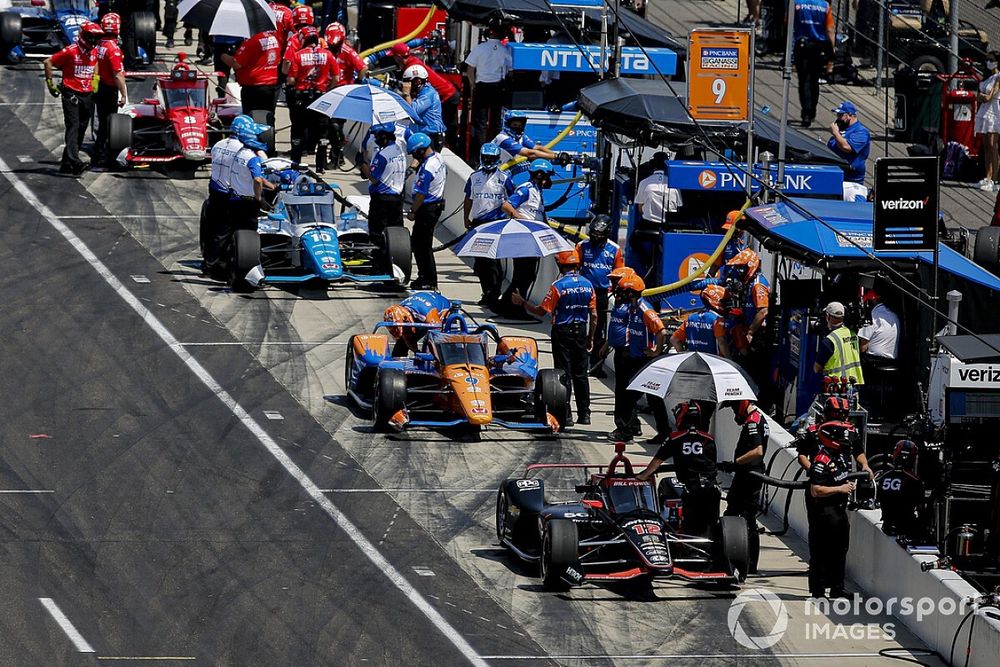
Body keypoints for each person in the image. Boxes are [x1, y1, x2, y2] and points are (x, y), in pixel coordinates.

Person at [512, 249, 596, 426]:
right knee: (581, 374)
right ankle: (585, 414)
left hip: (562, 331)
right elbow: (594, 315)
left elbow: (542, 311)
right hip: (581, 330)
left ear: (561, 265)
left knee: (563, 373)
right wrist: (591, 337)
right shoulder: (588, 284)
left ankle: (566, 415)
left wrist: (522, 303)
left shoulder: (558, 286)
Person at [637, 401, 720, 537]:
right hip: (711, 490)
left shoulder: (675, 438)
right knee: (710, 527)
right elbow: (712, 463)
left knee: (691, 529)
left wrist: (642, 476)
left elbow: (657, 462)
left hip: (692, 491)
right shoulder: (709, 439)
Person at [615, 273, 669, 444]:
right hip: (634, 358)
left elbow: (662, 331)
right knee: (635, 397)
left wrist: (656, 352)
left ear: (631, 293)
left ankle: (630, 432)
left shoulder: (645, 309)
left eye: (623, 291)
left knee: (644, 398)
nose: (619, 294)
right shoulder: (631, 309)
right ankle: (656, 432)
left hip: (644, 361)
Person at [44, 21, 103, 176]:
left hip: (88, 95)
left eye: (96, 38)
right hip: (71, 94)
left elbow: (95, 62)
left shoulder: (94, 51)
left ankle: (66, 164)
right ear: (84, 36)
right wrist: (50, 83)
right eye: (92, 37)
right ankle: (75, 162)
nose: (94, 41)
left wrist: (95, 78)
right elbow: (48, 61)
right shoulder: (70, 51)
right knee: (73, 127)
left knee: (82, 129)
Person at [806, 421, 857, 598]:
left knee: (840, 550)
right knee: (820, 552)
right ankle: (818, 591)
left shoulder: (840, 456)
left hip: (839, 512)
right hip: (824, 514)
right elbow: (816, 490)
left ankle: (837, 588)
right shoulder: (821, 461)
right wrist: (840, 489)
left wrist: (847, 485)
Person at [718, 400, 769, 574]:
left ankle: (743, 562)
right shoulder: (758, 418)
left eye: (733, 407)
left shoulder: (753, 422)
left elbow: (758, 451)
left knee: (741, 518)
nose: (733, 412)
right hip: (749, 474)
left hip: (749, 476)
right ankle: (747, 563)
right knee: (742, 516)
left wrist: (735, 463)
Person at [499, 159, 555, 315]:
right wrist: (520, 218)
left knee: (528, 274)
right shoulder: (526, 189)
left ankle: (509, 305)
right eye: (547, 176)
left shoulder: (537, 192)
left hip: (532, 240)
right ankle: (512, 307)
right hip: (523, 239)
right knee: (523, 274)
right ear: (539, 175)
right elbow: (506, 205)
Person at [464, 142, 515, 308]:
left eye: (491, 158)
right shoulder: (474, 177)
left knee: (493, 261)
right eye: (485, 157)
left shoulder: (504, 178)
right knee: (480, 262)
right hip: (478, 223)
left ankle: (495, 293)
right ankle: (486, 292)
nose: (487, 160)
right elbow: (468, 198)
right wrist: (466, 218)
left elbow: (513, 200)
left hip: (496, 224)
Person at [577, 214, 624, 376]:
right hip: (582, 292)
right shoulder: (582, 246)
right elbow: (573, 268)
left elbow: (619, 274)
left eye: (599, 233)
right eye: (593, 232)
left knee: (600, 330)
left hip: (603, 294)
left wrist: (617, 294)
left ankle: (596, 366)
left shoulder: (614, 249)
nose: (595, 236)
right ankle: (579, 363)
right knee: (579, 326)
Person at [285, 26, 339, 169]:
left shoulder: (298, 55)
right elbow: (336, 77)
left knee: (297, 130)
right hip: (321, 98)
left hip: (302, 99)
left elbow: (290, 80)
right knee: (322, 132)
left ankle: (295, 163)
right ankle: (320, 166)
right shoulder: (328, 54)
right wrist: (328, 89)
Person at [391, 43, 460, 146]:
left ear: (399, 57)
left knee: (447, 130)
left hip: (447, 96)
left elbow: (413, 110)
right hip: (447, 93)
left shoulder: (412, 70)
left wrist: (406, 94)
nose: (394, 60)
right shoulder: (413, 63)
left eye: (394, 57)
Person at [407, 133, 448, 291]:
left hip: (427, 209)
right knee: (421, 244)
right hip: (435, 207)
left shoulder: (427, 168)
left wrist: (412, 211)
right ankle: (426, 276)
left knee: (421, 246)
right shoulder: (437, 158)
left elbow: (421, 195)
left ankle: (428, 279)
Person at [464, 20, 512, 153]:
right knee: (496, 121)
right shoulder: (505, 50)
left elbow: (469, 69)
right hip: (498, 87)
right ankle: (496, 149)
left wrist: (473, 85)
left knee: (480, 121)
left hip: (482, 87)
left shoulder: (480, 48)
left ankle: (481, 150)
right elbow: (511, 69)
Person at [323, 22, 367, 168]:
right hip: (326, 91)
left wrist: (357, 83)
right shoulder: (324, 49)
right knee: (326, 126)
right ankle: (330, 155)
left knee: (335, 126)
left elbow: (362, 67)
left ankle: (337, 157)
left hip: (342, 93)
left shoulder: (347, 51)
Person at [606, 266, 642, 442]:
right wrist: (607, 344)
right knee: (624, 391)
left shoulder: (633, 306)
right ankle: (633, 425)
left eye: (617, 281)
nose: (614, 285)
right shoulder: (619, 302)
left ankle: (624, 428)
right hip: (619, 350)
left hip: (628, 353)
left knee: (623, 393)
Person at [367, 122, 408, 272]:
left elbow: (374, 178)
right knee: (396, 234)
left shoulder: (382, 155)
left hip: (382, 201)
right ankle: (397, 267)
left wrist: (362, 165)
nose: (376, 139)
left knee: (378, 234)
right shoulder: (400, 151)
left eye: (378, 137)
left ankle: (379, 267)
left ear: (384, 136)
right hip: (397, 199)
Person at [633, 155, 683, 277]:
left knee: (633, 240)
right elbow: (679, 206)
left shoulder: (644, 182)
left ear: (653, 167)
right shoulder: (674, 184)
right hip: (669, 226)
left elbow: (640, 208)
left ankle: (647, 262)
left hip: (649, 225)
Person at [223, 30, 281, 124]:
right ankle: (269, 135)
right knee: (268, 116)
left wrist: (223, 56)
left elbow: (236, 63)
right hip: (270, 84)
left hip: (253, 86)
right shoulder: (273, 38)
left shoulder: (251, 40)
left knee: (250, 119)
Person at [94, 13, 128, 169]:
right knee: (109, 125)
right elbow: (118, 74)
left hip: (99, 86)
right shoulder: (112, 49)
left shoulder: (99, 43)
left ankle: (100, 155)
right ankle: (103, 158)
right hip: (109, 89)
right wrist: (124, 93)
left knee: (102, 123)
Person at [793, 0, 835, 128]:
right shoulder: (824, 6)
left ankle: (806, 112)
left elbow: (788, 22)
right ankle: (812, 111)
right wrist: (831, 53)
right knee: (814, 80)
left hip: (802, 45)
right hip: (819, 47)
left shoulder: (796, 3)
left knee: (803, 80)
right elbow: (829, 30)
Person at [877, 440, 926, 539]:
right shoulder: (915, 480)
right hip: (905, 529)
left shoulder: (883, 477)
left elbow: (879, 499)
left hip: (887, 525)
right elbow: (920, 506)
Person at [670, 285, 732, 358]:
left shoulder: (690, 318)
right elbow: (721, 342)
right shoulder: (717, 320)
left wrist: (684, 356)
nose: (728, 306)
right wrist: (729, 359)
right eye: (725, 302)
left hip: (693, 362)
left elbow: (674, 339)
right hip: (714, 363)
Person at [813, 301, 865, 386]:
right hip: (855, 384)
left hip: (836, 388)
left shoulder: (829, 340)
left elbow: (816, 368)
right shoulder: (853, 334)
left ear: (828, 317)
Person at [384, 290, 451, 356]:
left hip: (439, 313)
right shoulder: (402, 308)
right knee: (401, 345)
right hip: (420, 313)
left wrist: (428, 354)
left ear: (406, 319)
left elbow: (436, 331)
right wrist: (417, 352)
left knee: (431, 340)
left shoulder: (426, 312)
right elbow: (407, 337)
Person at [401, 64, 446, 150]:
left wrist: (406, 94)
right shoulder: (420, 93)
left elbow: (412, 111)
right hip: (422, 134)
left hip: (432, 136)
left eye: (408, 82)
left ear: (417, 82)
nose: (405, 85)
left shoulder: (428, 94)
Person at [827, 102, 871, 184]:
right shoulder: (841, 128)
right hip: (834, 173)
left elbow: (846, 147)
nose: (838, 118)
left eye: (840, 115)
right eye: (837, 115)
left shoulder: (861, 132)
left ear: (850, 115)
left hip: (851, 179)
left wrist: (836, 133)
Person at [492, 110, 556, 164]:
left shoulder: (521, 137)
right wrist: (555, 156)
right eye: (515, 125)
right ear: (507, 124)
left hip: (506, 168)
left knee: (538, 162)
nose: (518, 127)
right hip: (493, 172)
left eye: (520, 125)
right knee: (534, 159)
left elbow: (537, 147)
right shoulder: (503, 138)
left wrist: (558, 156)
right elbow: (530, 153)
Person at [976, 52, 1000, 192]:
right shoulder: (986, 78)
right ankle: (988, 176)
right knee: (986, 145)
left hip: (995, 111)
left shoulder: (998, 77)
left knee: (993, 145)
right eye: (987, 60)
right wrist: (982, 97)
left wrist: (982, 97)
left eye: (991, 60)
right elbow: (979, 95)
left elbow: (989, 97)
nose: (988, 62)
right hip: (985, 111)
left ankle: (995, 179)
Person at [858, 290, 900, 360]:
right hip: (893, 360)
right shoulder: (893, 315)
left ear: (868, 303)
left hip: (875, 360)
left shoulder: (871, 316)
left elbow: (863, 348)